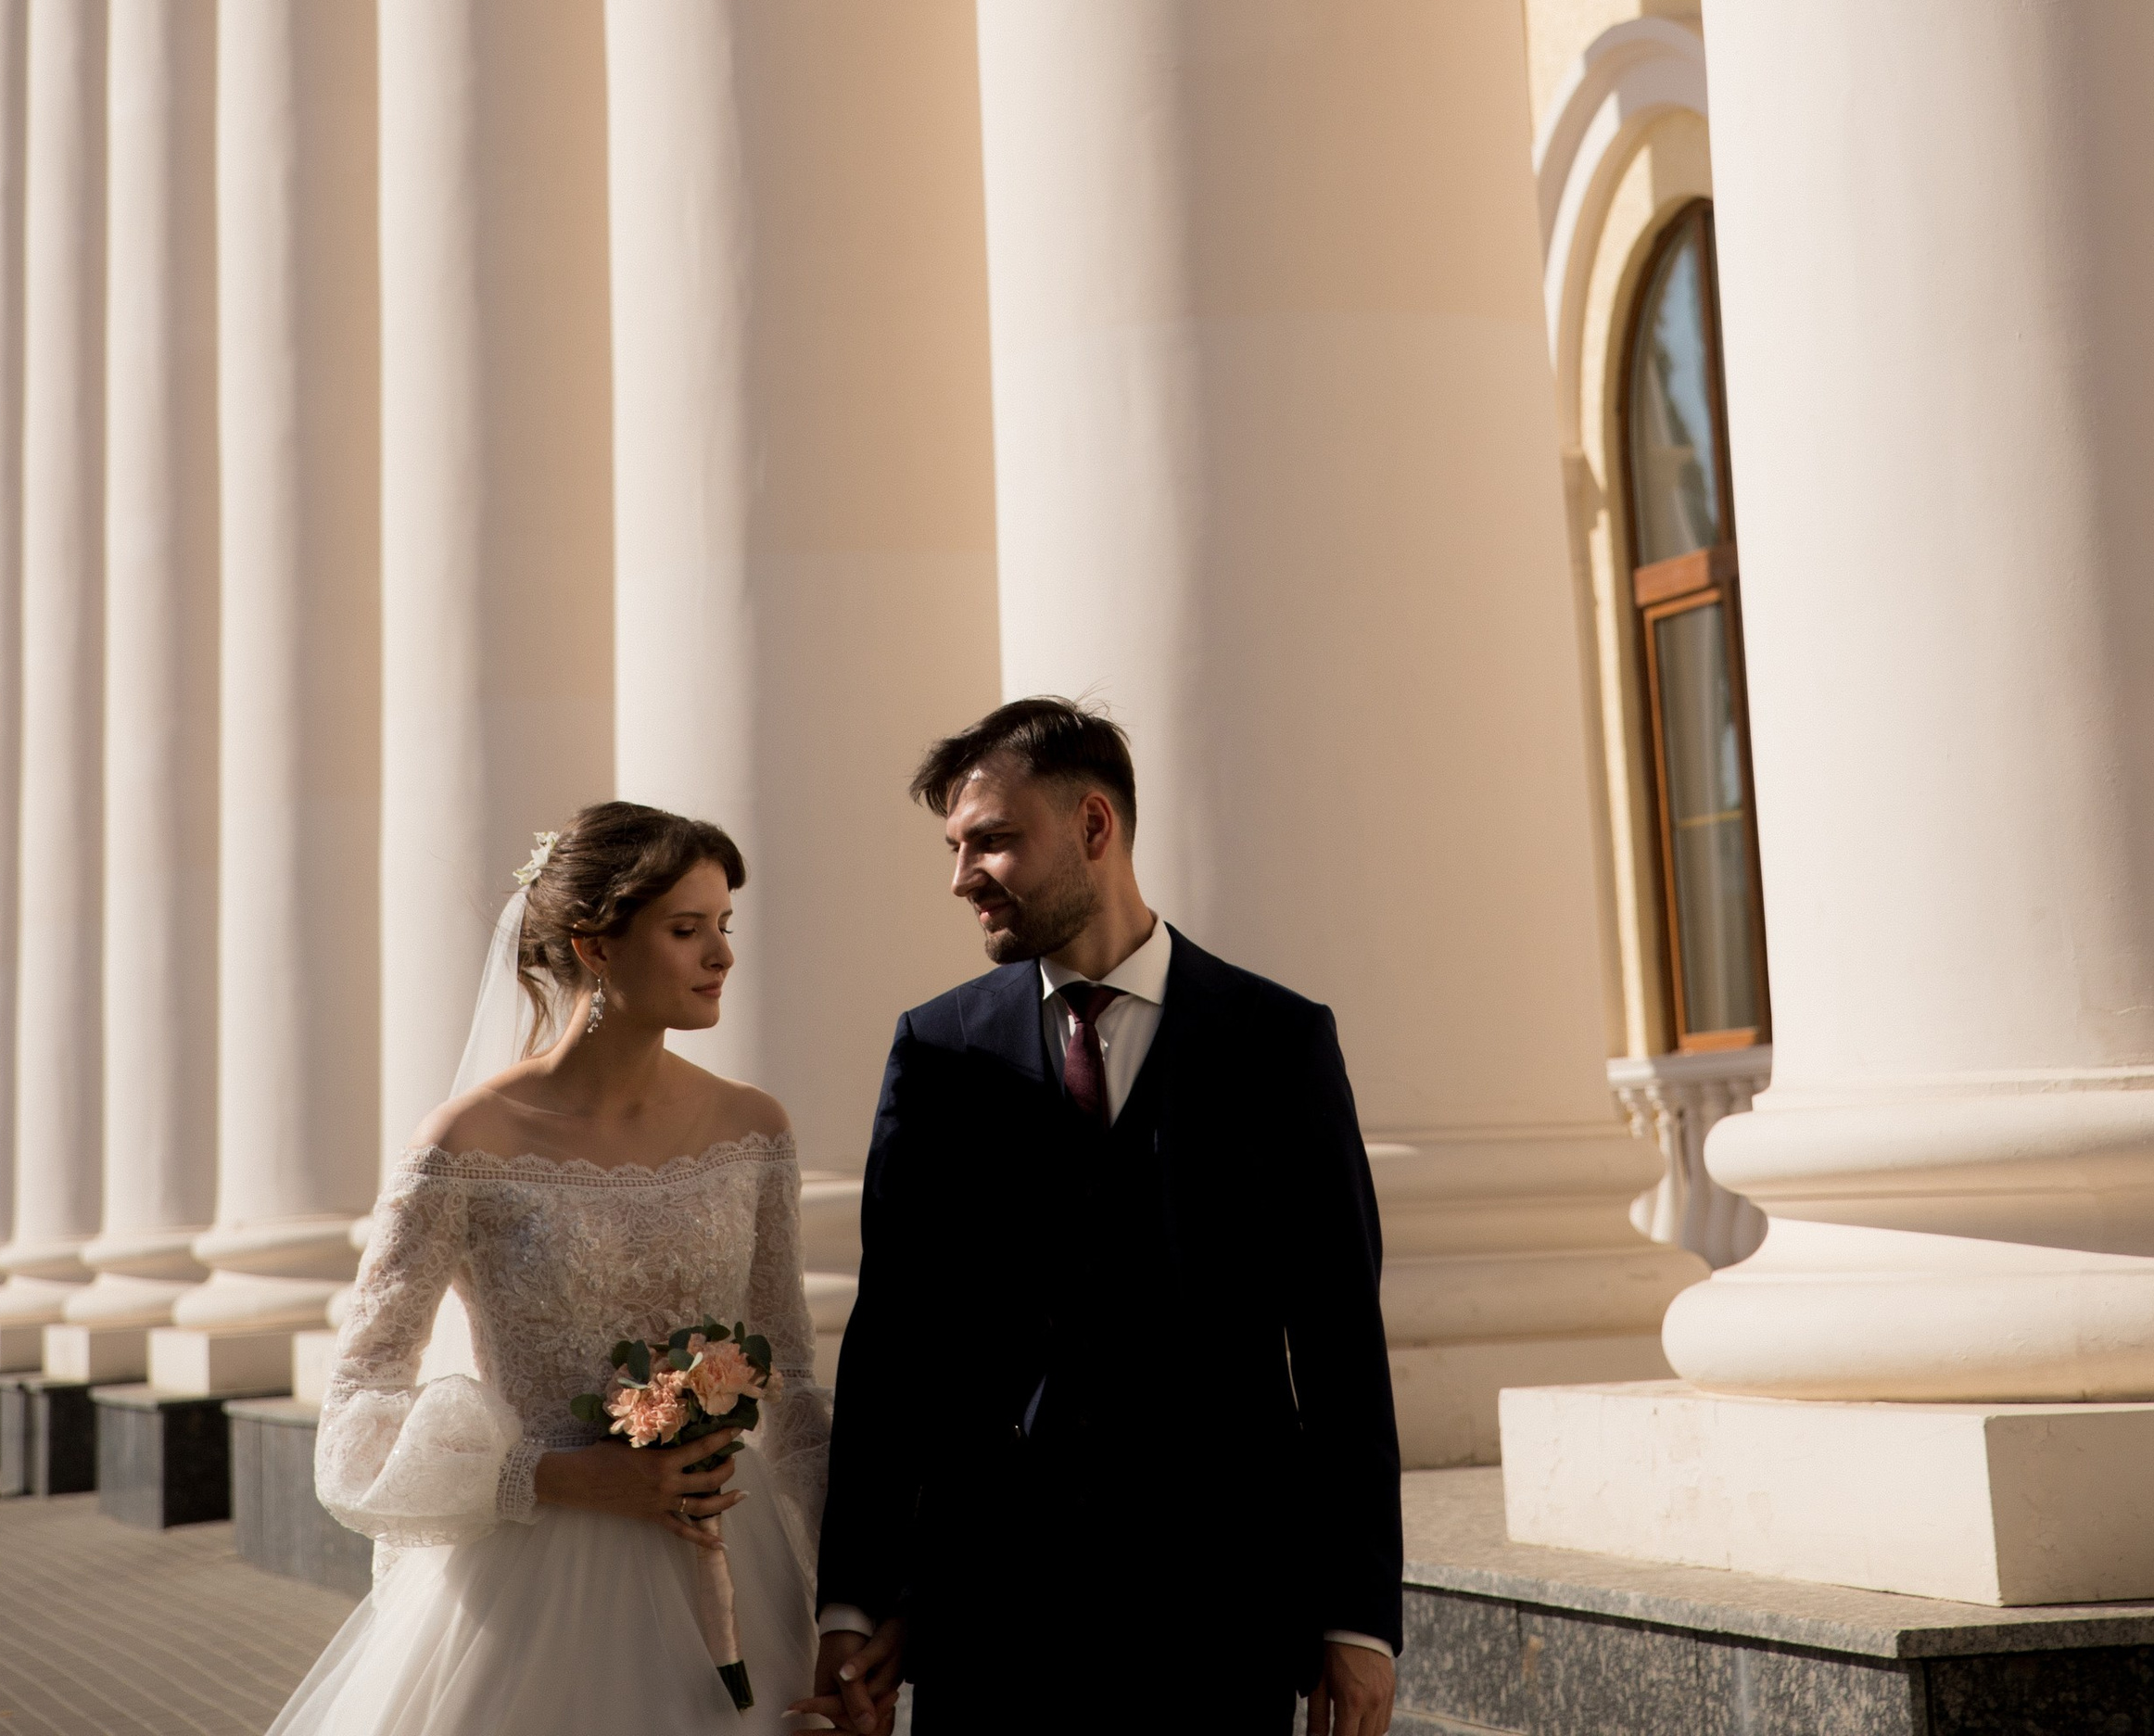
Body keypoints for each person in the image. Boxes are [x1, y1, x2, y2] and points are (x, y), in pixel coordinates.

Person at [805, 699, 1403, 1736]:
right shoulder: (938, 1051)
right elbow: (892, 1338)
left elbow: (1341, 1340)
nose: (962, 876)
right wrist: (858, 1594)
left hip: (1216, 1612)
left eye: (992, 840)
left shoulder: (1276, 1043)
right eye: (954, 846)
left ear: (1093, 827)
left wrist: (1357, 1619)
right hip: (991, 1614)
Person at [266, 803, 830, 1736]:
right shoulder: (466, 1142)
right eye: (686, 930)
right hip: (532, 1584)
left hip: (736, 1555)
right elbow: (360, 1408)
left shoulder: (753, 1129)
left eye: (725, 926)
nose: (721, 956)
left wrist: (840, 1596)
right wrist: (558, 1478)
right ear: (595, 947)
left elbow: (796, 1386)